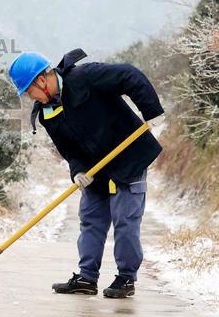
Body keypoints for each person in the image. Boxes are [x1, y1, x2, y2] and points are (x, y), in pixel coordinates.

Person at [8, 48, 164, 298]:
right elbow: (69, 150)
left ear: (41, 80)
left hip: (128, 156)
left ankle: (126, 278)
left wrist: (151, 110)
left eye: (29, 91)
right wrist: (78, 171)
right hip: (95, 168)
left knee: (124, 219)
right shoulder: (48, 113)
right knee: (90, 219)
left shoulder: (85, 77)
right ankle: (86, 278)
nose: (30, 97)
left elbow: (129, 75)